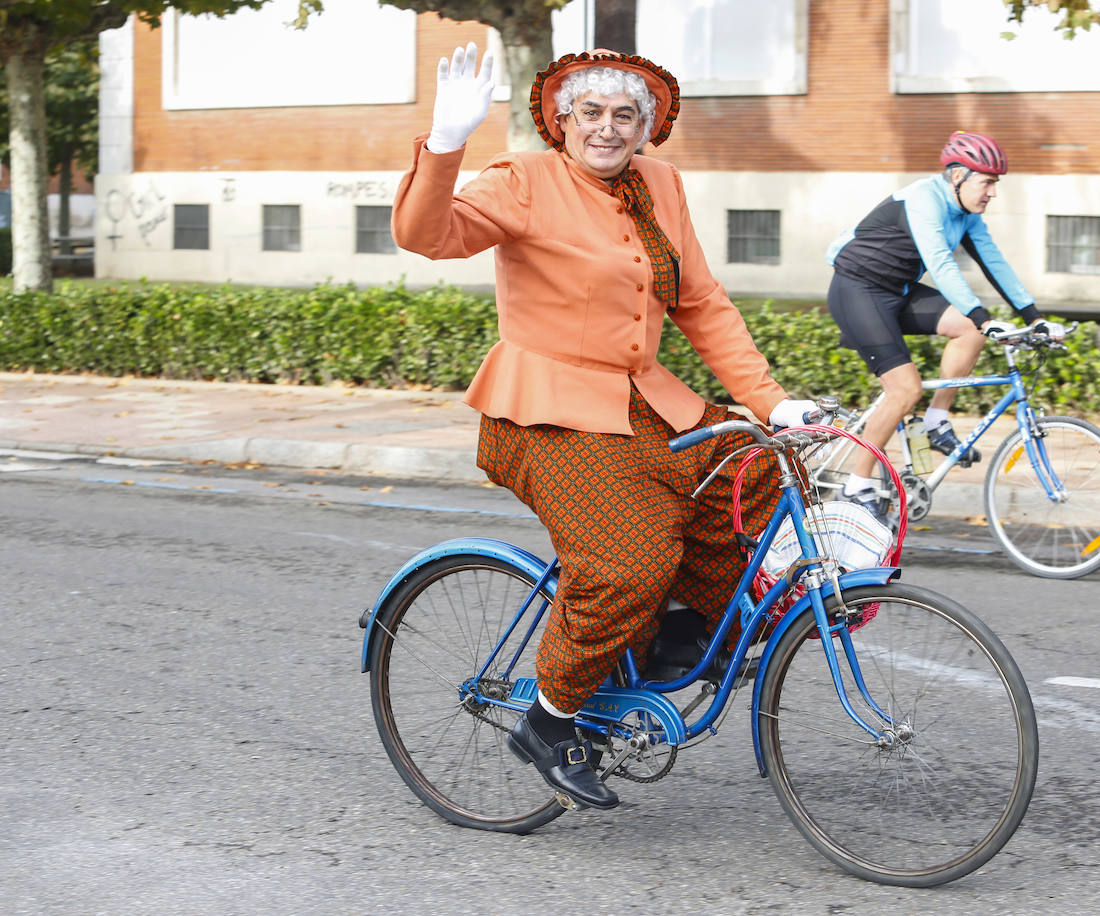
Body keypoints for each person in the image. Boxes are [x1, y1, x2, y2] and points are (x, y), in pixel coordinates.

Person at [390, 45, 816, 811]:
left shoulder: (661, 183)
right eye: (591, 112)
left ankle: (673, 638)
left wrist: (771, 402)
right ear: (561, 119)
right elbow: (430, 236)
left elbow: (701, 303)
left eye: (626, 115)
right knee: (627, 564)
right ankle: (550, 722)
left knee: (762, 474)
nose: (608, 128)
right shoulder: (524, 179)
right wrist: (446, 142)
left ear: (647, 126)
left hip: (644, 402)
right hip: (544, 410)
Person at [825, 131, 1061, 517]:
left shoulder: (967, 214)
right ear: (958, 177)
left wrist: (1033, 317)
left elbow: (994, 263)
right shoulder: (922, 199)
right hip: (857, 291)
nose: (993, 192)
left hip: (897, 291)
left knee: (967, 330)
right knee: (904, 390)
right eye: (987, 182)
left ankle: (936, 422)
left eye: (995, 183)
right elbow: (940, 263)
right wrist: (983, 318)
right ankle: (857, 484)